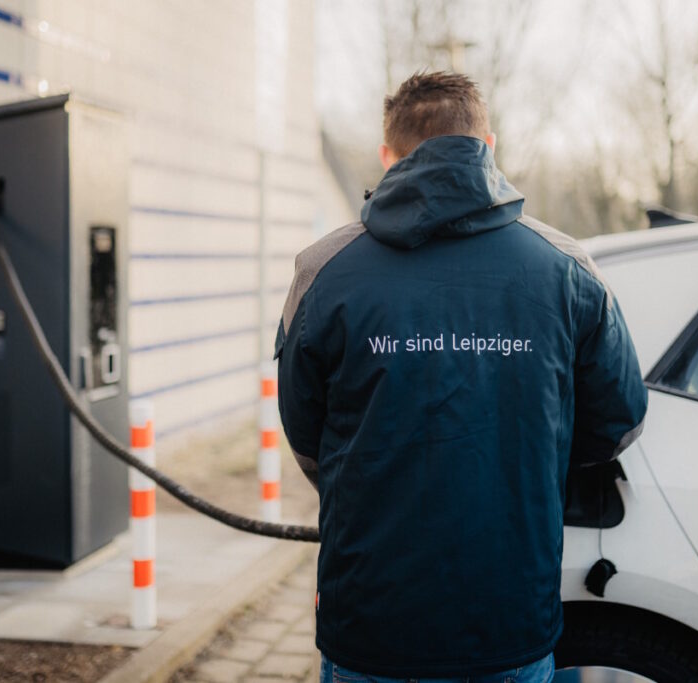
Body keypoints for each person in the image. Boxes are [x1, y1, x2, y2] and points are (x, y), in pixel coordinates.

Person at [274, 71, 647, 683]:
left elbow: (308, 437)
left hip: (370, 624)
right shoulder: (566, 268)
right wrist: (531, 460)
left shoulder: (324, 270)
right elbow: (618, 422)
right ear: (489, 147)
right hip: (508, 622)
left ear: (388, 156)